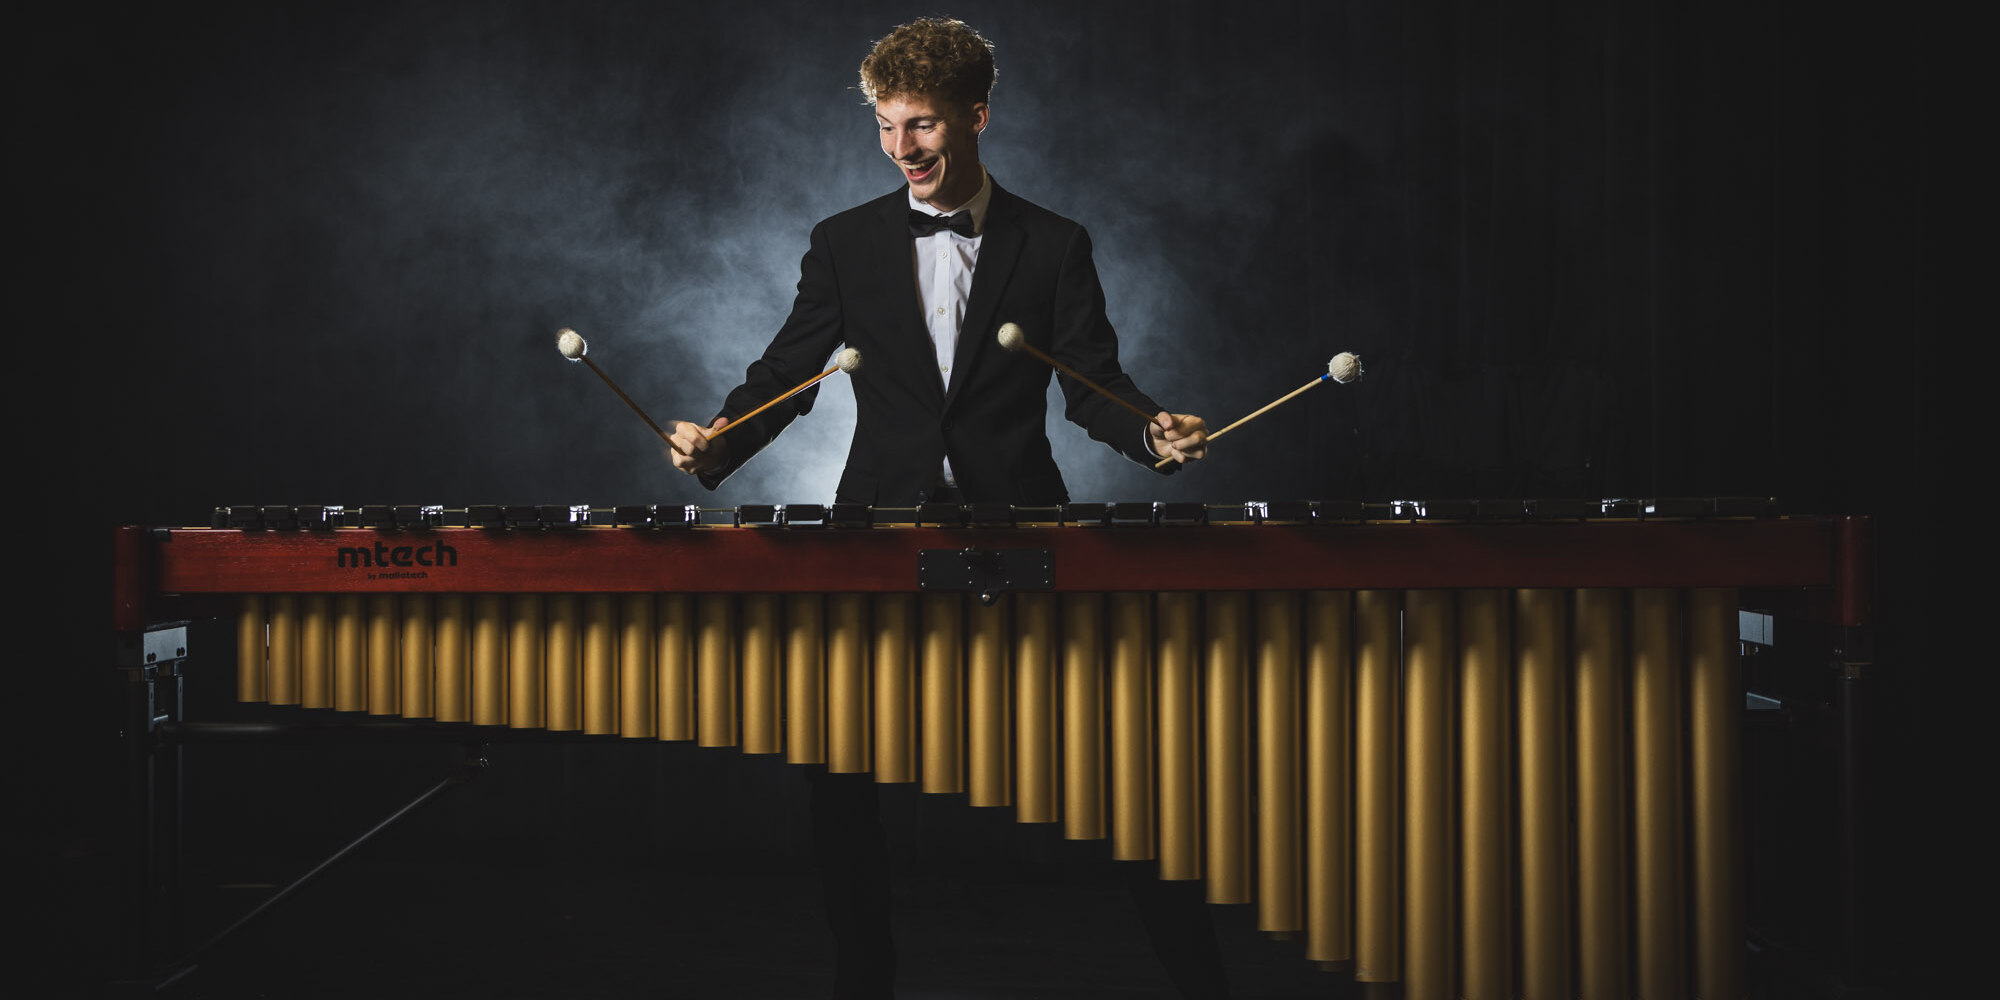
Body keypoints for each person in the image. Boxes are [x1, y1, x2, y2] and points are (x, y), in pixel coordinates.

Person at [666, 17, 1222, 999]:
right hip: (874, 543)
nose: (900, 149)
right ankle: (862, 982)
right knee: (840, 780)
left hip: (1021, 542)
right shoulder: (844, 244)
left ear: (976, 115)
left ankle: (1199, 981)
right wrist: (717, 440)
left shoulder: (1052, 245)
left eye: (919, 125)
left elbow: (1091, 385)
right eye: (885, 127)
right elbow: (785, 377)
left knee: (1126, 773)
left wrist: (1150, 433)